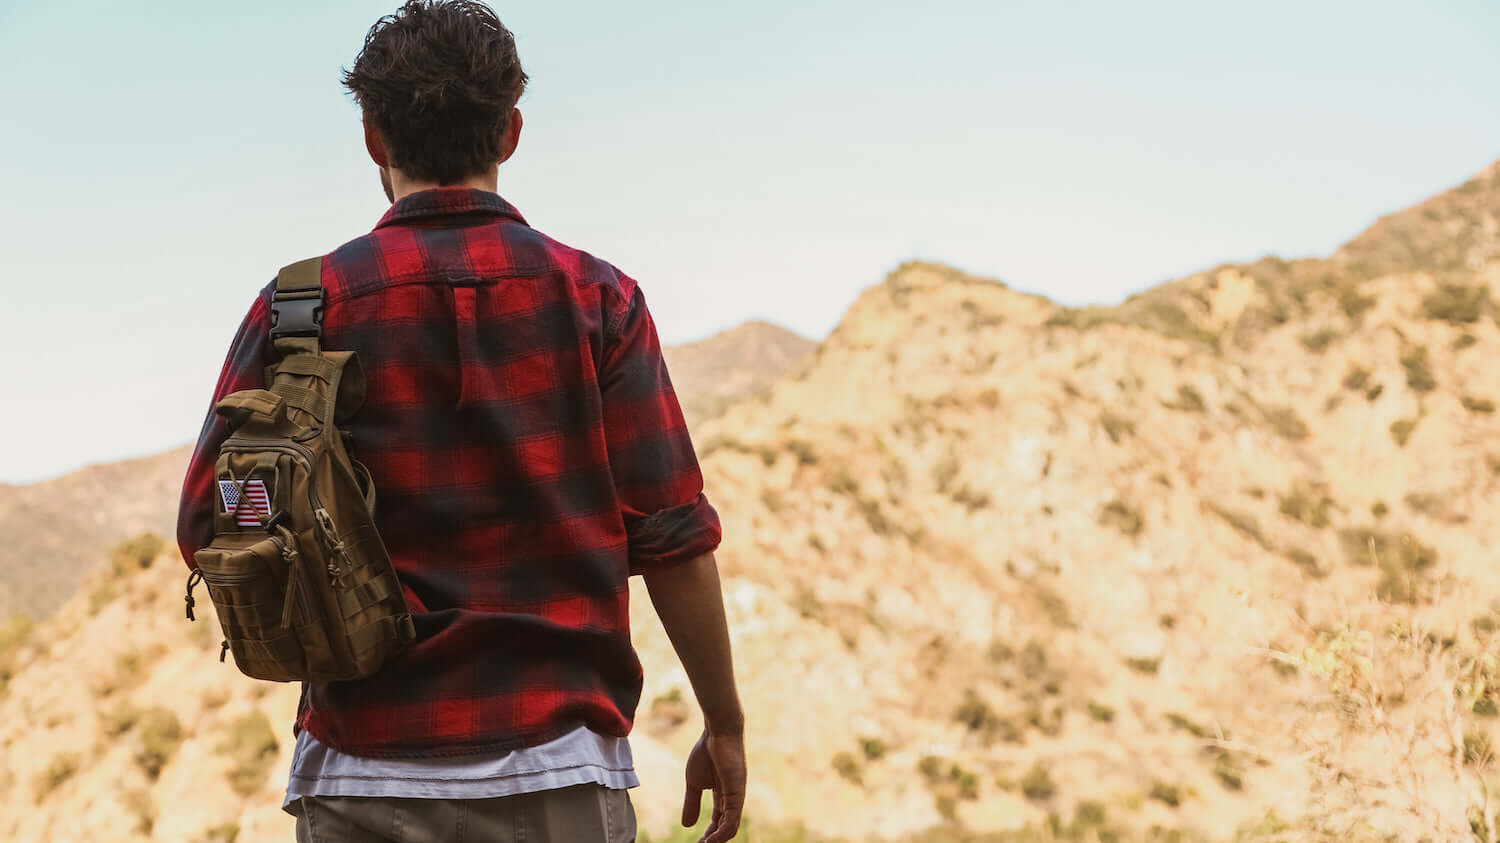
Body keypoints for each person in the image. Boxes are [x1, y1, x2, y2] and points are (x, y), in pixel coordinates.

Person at [175, 3, 746, 840]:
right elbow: (674, 537)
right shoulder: (599, 301)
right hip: (560, 771)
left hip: (361, 772)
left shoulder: (299, 311)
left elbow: (209, 523)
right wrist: (724, 721)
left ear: (373, 138)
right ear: (510, 133)